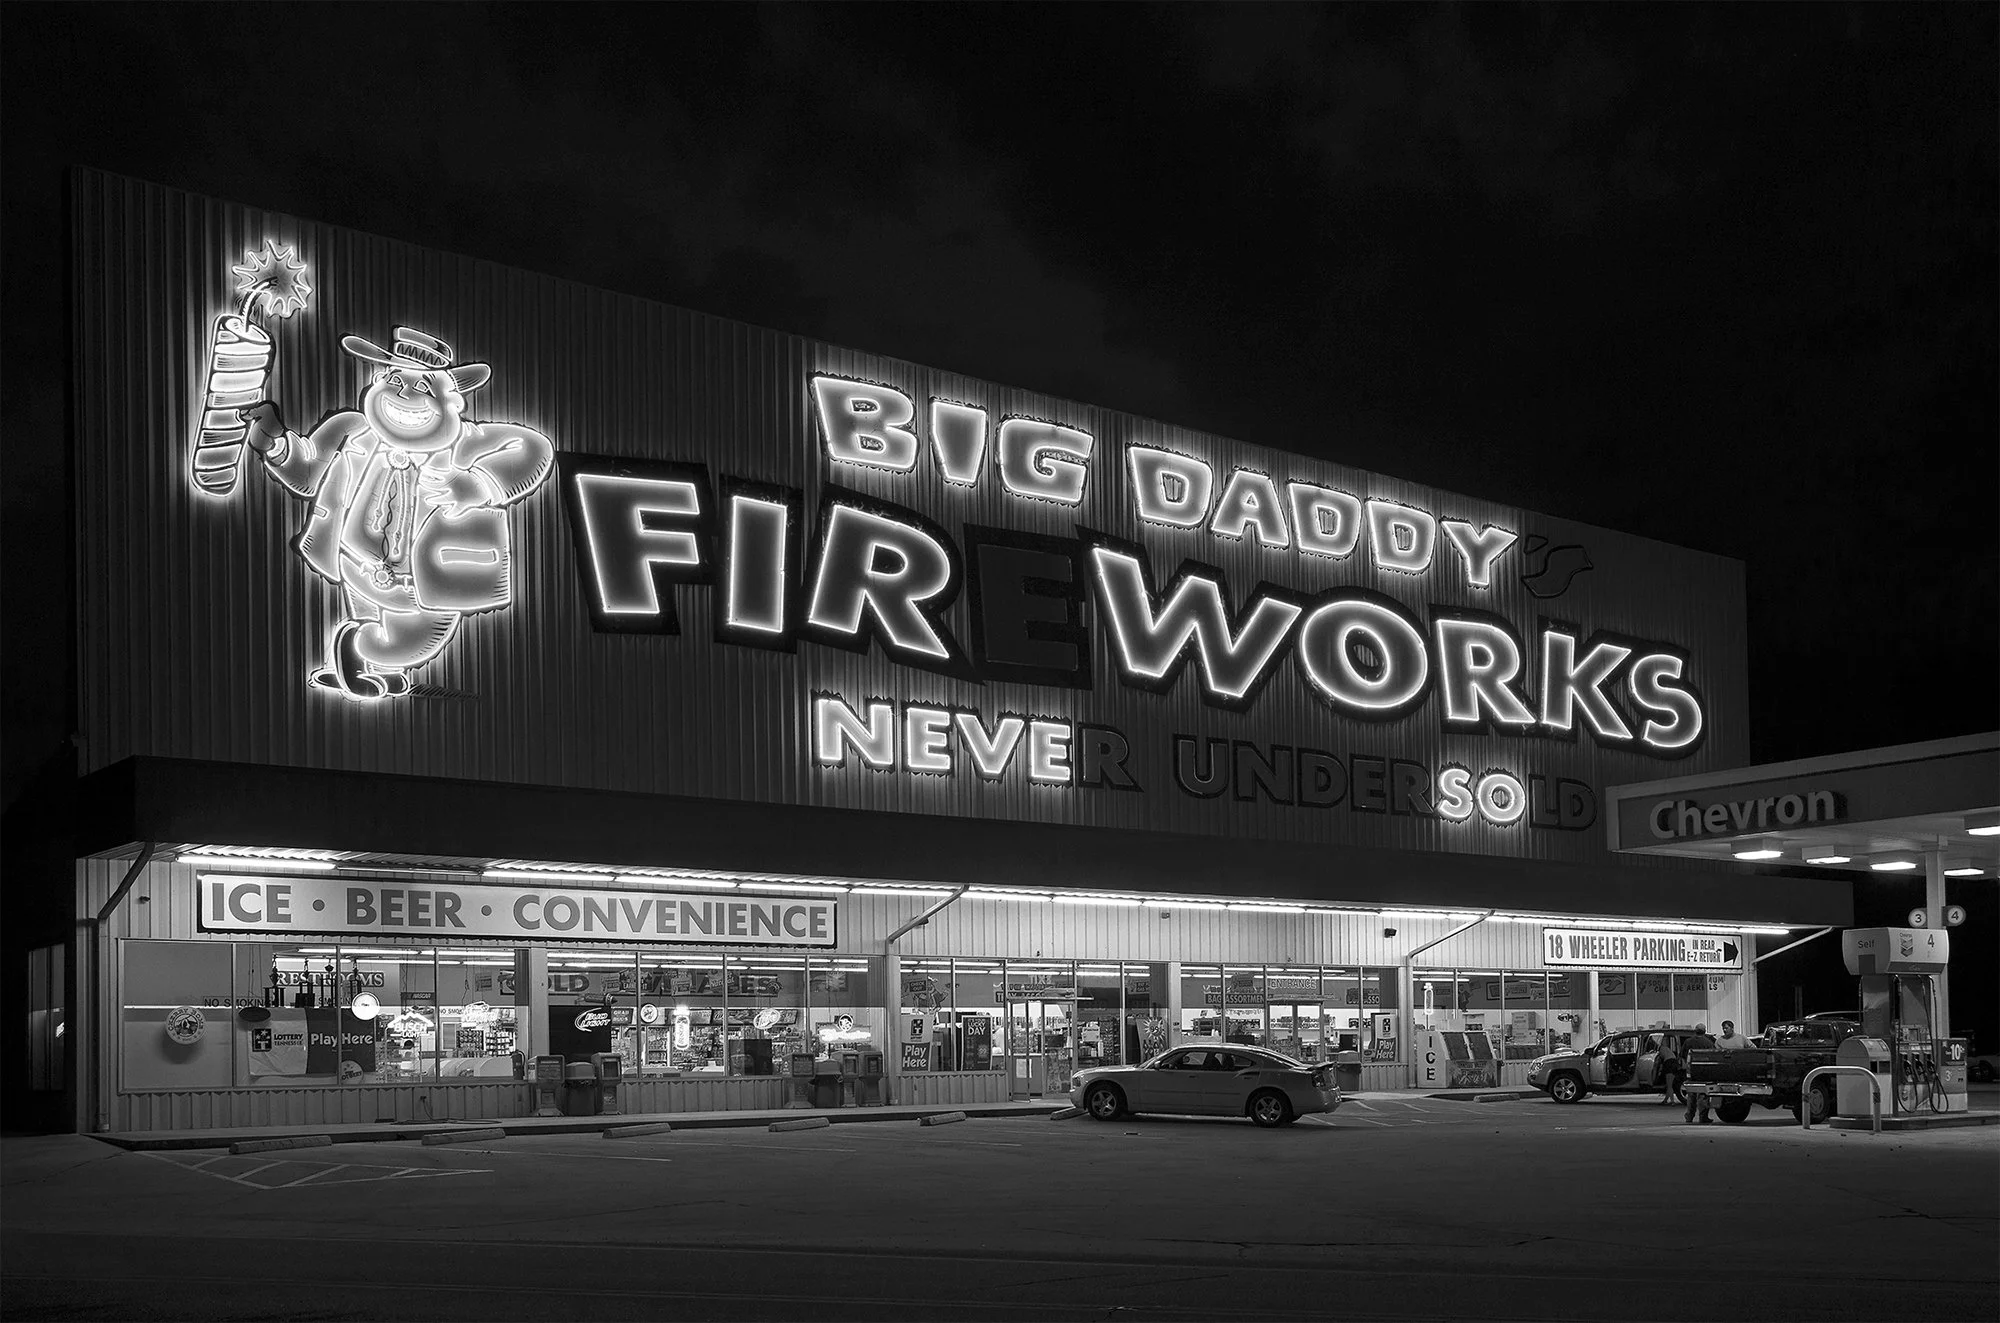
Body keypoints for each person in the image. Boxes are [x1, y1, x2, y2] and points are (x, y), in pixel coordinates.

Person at [1681, 1023, 1716, 1122]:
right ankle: (1703, 1117)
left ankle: (1689, 1116)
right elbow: (1713, 1056)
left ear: (1695, 1031)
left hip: (1691, 1071)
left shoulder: (1688, 1042)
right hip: (1704, 1072)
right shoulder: (1708, 1043)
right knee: (1703, 1094)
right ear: (1704, 1031)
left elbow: (1683, 1055)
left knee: (1691, 1094)